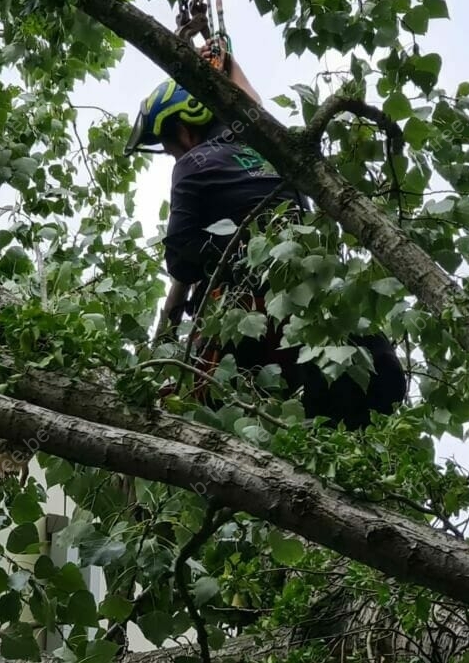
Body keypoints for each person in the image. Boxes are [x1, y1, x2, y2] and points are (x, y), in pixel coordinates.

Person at [125, 50, 406, 429]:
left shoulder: (193, 164)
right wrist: (226, 57)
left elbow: (180, 260)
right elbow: (251, 102)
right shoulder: (268, 144)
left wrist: (215, 260)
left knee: (206, 402)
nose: (174, 156)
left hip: (261, 333)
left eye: (171, 146)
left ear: (184, 128)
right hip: (344, 334)